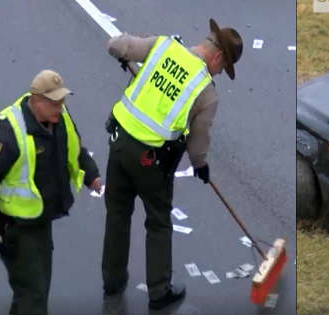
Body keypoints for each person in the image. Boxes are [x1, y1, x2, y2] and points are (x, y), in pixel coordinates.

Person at [101, 18, 243, 310]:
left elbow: (117, 45)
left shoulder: (164, 46)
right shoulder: (206, 91)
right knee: (158, 223)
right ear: (218, 56)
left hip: (119, 143)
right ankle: (159, 291)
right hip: (151, 160)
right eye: (223, 67)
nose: (218, 72)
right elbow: (198, 140)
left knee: (117, 214)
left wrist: (123, 57)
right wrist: (200, 165)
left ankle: (112, 281)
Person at [0, 69, 101, 314]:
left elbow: (74, 147)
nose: (60, 107)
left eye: (62, 100)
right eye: (54, 103)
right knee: (34, 295)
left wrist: (91, 175)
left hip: (39, 222)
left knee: (29, 292)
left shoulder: (58, 118)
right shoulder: (10, 135)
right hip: (17, 228)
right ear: (37, 101)